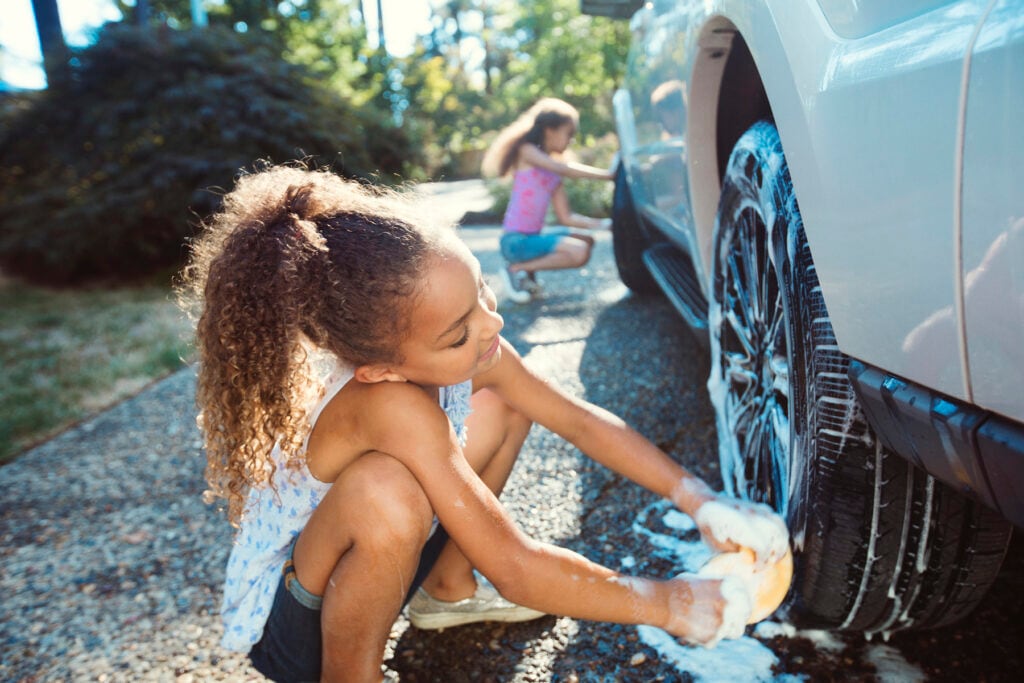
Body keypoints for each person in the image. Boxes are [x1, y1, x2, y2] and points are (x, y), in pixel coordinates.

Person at [178, 163, 790, 683]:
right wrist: (675, 603)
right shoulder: (387, 405)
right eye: (458, 332)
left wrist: (699, 499)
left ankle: (447, 588)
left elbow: (579, 422)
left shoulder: (471, 346)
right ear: (379, 370)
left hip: (373, 569)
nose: (490, 327)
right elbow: (515, 564)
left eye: (481, 296)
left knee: (503, 399)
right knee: (384, 492)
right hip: (297, 629)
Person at [481, 98, 614, 303]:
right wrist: (609, 175)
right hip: (515, 242)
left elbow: (567, 217)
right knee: (578, 251)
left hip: (533, 239)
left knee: (587, 241)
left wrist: (604, 224)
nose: (571, 141)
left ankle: (525, 273)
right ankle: (516, 269)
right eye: (568, 134)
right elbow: (564, 168)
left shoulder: (553, 176)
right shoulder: (527, 151)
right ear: (550, 130)